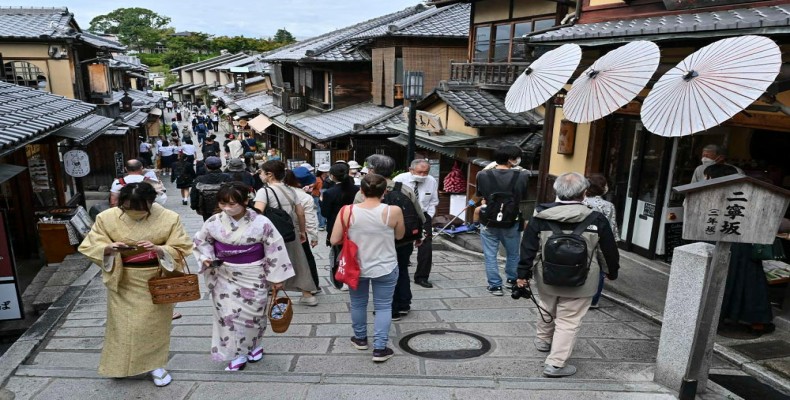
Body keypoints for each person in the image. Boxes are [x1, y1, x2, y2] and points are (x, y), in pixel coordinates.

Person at [78, 182, 193, 386]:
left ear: (151, 202)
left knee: (152, 326)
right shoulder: (106, 218)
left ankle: (156, 365)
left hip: (156, 279)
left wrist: (159, 249)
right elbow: (90, 245)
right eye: (127, 207)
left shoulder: (168, 217)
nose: (133, 212)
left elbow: (182, 246)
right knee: (122, 327)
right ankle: (120, 365)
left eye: (139, 208)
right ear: (120, 203)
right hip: (123, 279)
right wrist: (109, 248)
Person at [517, 172, 620, 378]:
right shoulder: (596, 219)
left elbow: (528, 249)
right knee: (569, 320)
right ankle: (555, 364)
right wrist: (612, 271)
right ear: (584, 193)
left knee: (547, 305)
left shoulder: (540, 217)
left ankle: (543, 340)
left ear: (556, 191)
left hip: (547, 276)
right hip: (583, 279)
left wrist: (522, 274)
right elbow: (608, 250)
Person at [193, 182, 295, 371]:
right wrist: (206, 258)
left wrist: (277, 278)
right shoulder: (214, 221)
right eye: (223, 203)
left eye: (232, 204)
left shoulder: (262, 222)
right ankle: (236, 354)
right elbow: (201, 241)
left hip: (253, 274)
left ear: (245, 201)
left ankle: (255, 345)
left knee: (254, 315)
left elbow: (274, 247)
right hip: (224, 274)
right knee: (228, 316)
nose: (227, 208)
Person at [331, 174, 405, 363]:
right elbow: (400, 235)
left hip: (355, 266)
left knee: (358, 303)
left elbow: (334, 239)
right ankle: (380, 348)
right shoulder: (393, 211)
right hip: (385, 265)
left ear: (361, 191)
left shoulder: (347, 211)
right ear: (384, 191)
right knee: (383, 306)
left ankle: (360, 339)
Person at [356, 154, 425, 320]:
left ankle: (390, 308)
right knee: (402, 269)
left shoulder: (364, 192)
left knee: (383, 273)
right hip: (403, 239)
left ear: (372, 170)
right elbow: (419, 214)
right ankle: (404, 303)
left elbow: (356, 217)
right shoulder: (404, 188)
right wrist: (419, 234)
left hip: (376, 241)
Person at [253, 161, 319, 305]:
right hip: (290, 231)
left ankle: (271, 292)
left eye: (261, 172)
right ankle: (308, 295)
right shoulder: (290, 190)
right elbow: (300, 213)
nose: (260, 175)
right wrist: (302, 231)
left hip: (271, 233)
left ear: (269, 174)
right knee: (298, 261)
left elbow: (257, 214)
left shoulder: (264, 191)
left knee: (271, 261)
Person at [475, 145, 530, 296]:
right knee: (513, 253)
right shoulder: (523, 176)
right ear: (511, 160)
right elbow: (523, 196)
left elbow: (480, 194)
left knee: (490, 254)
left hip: (489, 219)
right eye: (517, 157)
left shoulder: (482, 175)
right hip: (512, 219)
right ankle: (512, 280)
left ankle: (495, 286)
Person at [394, 159, 439, 288]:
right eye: (420, 172)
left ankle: (422, 277)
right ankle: (398, 272)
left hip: (423, 216)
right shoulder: (400, 179)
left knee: (426, 246)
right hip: (404, 215)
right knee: (401, 244)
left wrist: (428, 216)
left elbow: (433, 201)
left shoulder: (431, 181)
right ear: (411, 170)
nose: (423, 175)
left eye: (426, 172)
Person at [583, 173, 620, 309]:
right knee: (599, 269)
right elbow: (611, 226)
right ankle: (593, 300)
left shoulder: (581, 202)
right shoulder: (608, 205)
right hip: (601, 239)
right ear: (603, 187)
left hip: (582, 238)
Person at [321, 163, 359, 289]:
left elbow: (325, 213)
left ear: (332, 176)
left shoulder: (330, 193)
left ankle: (341, 280)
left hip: (336, 226)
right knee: (353, 252)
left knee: (338, 253)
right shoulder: (357, 190)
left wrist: (321, 202)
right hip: (354, 224)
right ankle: (353, 276)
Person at [286, 168, 321, 291]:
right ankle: (313, 285)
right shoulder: (306, 197)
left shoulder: (280, 192)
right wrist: (314, 236)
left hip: (279, 230)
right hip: (299, 231)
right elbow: (310, 219)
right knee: (307, 258)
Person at [191, 156, 232, 221]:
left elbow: (194, 194)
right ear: (220, 165)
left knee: (209, 223)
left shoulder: (200, 179)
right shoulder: (227, 177)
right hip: (224, 206)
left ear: (206, 166)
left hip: (206, 208)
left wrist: (194, 206)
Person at [314, 163, 330, 231]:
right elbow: (313, 187)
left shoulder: (329, 179)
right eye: (327, 171)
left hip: (326, 196)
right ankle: (321, 224)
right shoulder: (316, 179)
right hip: (317, 196)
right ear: (324, 172)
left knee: (325, 209)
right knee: (319, 210)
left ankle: (324, 223)